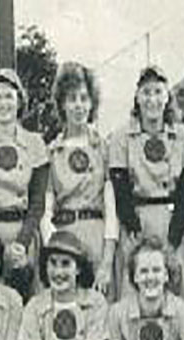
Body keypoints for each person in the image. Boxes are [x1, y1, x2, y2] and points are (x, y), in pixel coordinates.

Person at [108, 66, 184, 298]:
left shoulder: (182, 135)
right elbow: (120, 188)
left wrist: (174, 238)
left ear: (167, 97)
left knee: (178, 291)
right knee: (136, 291)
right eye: (146, 92)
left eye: (158, 92)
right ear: (137, 97)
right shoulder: (122, 137)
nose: (152, 99)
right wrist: (134, 228)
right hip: (137, 223)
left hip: (172, 222)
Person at [0, 67, 49, 301]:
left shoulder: (35, 144)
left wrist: (22, 244)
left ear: (19, 101)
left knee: (29, 304)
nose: (4, 103)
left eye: (9, 96)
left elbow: (38, 201)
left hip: (25, 234)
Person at [41, 62, 118, 301]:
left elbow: (111, 209)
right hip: (64, 239)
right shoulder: (51, 152)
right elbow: (45, 210)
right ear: (62, 104)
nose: (78, 105)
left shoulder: (104, 149)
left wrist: (106, 262)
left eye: (84, 98)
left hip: (97, 237)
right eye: (72, 98)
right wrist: (52, 250)